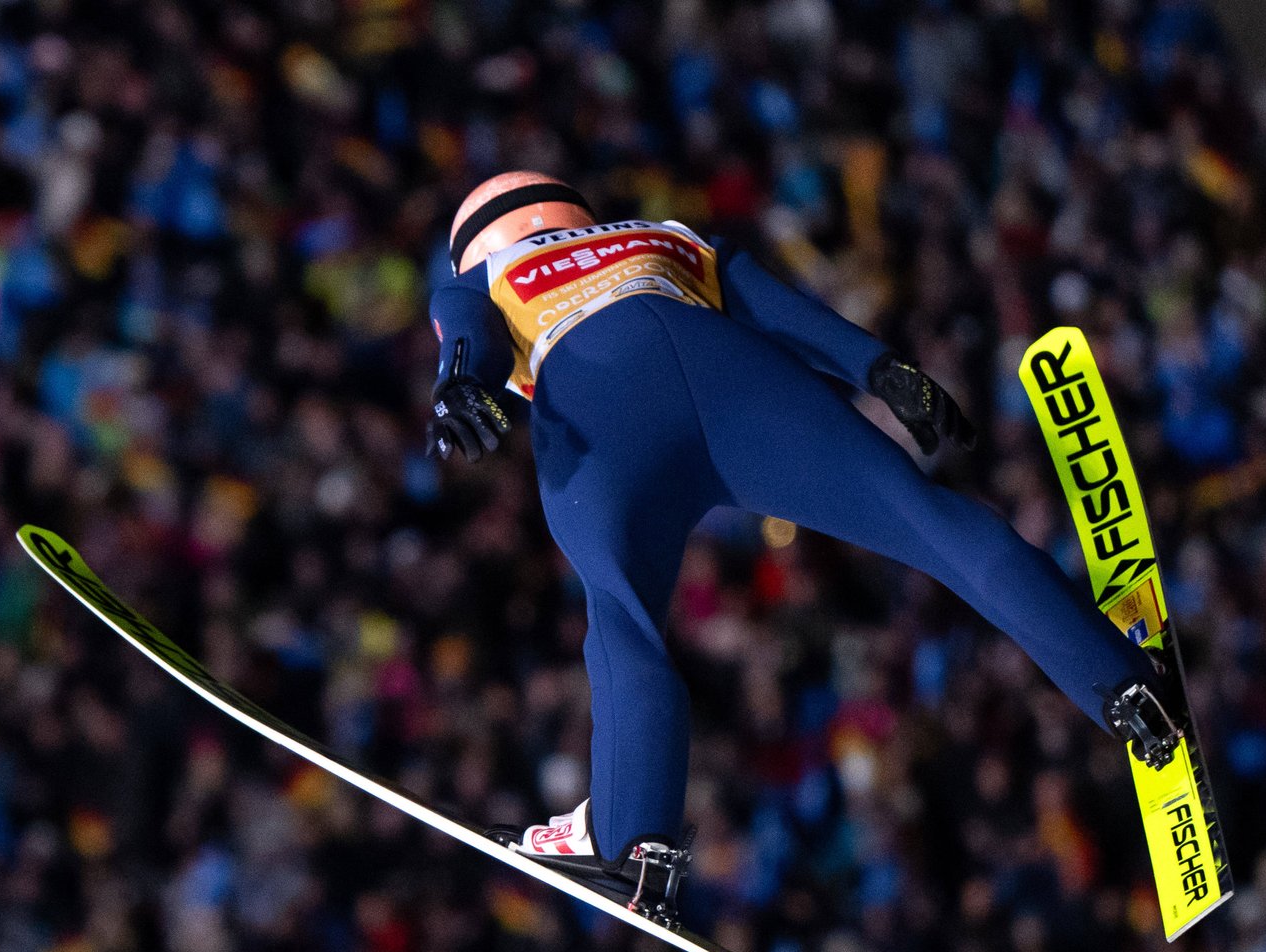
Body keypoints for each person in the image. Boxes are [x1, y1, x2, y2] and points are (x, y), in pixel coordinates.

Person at [427, 171, 1178, 903]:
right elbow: (771, 303)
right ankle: (1122, 682)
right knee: (930, 521)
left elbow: (469, 332)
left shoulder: (483, 274)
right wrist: (880, 367)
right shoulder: (658, 233)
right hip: (731, 374)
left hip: (599, 408)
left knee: (622, 624)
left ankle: (632, 843)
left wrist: (460, 382)